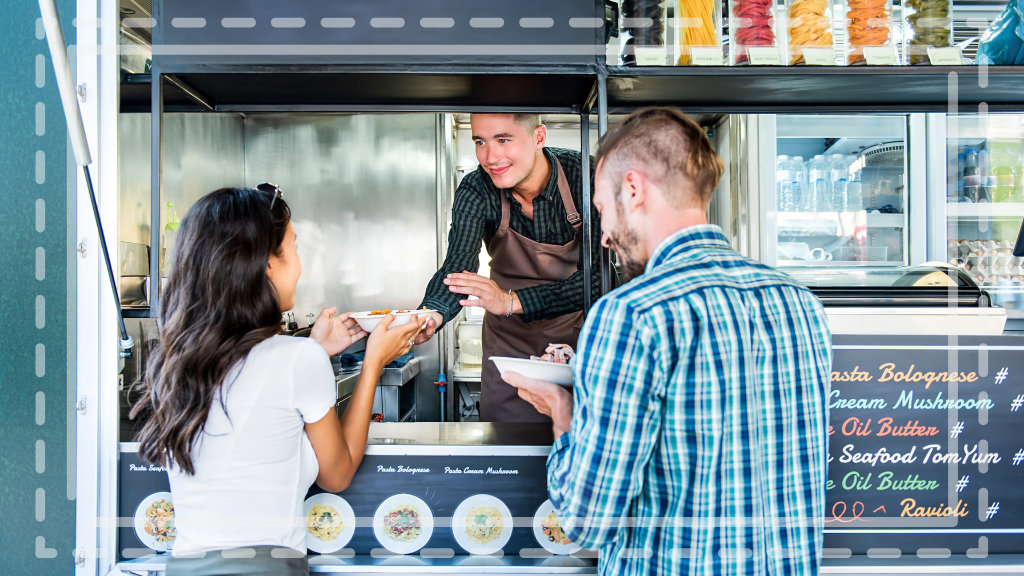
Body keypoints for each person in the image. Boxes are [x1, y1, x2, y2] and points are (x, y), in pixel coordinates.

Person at [507, 108, 832, 575]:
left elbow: (586, 519)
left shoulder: (632, 314)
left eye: (602, 209)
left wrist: (563, 410)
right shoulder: (799, 304)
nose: (604, 236)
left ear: (634, 190)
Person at [130, 186, 424, 575]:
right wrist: (374, 363)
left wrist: (316, 349)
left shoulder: (175, 361)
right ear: (268, 263)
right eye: (294, 249)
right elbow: (336, 474)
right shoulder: (296, 360)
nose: (300, 265)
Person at [413, 113, 600, 422]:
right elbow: (459, 264)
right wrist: (429, 316)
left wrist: (512, 301)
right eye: (480, 142)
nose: (490, 157)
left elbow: (601, 278)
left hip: (578, 341)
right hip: (508, 345)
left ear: (539, 137)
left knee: (579, 433)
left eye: (503, 140)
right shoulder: (477, 188)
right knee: (506, 444)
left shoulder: (585, 176)